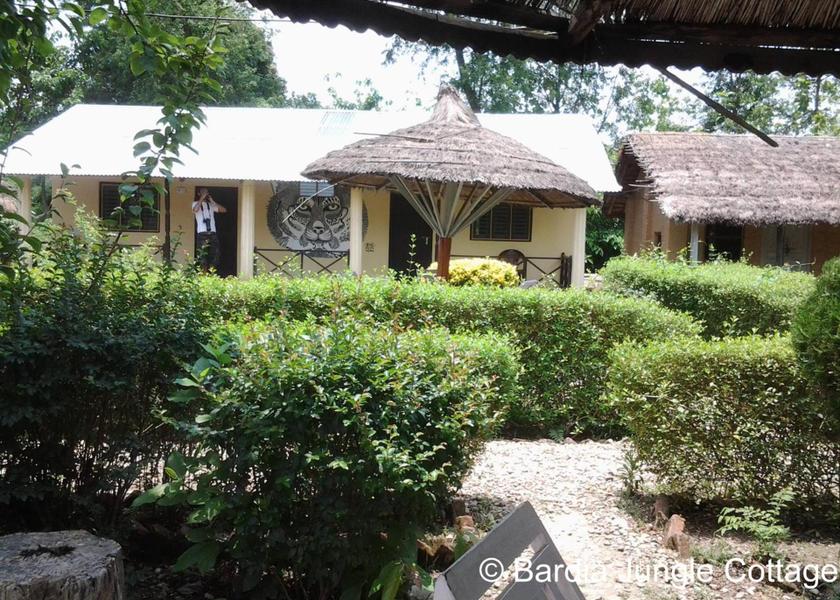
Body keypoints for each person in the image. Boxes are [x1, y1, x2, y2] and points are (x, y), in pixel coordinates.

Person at [193, 188, 227, 272]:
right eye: (203, 192)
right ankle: (203, 274)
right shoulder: (195, 203)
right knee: (202, 255)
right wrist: (201, 198)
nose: (205, 194)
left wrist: (212, 201)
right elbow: (195, 210)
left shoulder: (211, 205)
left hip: (212, 233)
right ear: (198, 194)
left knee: (215, 254)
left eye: (206, 192)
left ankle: (211, 273)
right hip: (202, 233)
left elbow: (224, 210)